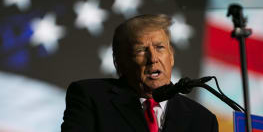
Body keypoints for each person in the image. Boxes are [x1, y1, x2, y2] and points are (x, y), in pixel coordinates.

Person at [61, 14, 218, 132]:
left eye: (160, 47)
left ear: (171, 57)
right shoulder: (91, 97)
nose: (153, 58)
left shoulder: (202, 120)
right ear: (119, 62)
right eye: (140, 50)